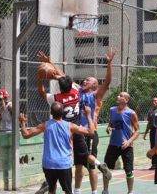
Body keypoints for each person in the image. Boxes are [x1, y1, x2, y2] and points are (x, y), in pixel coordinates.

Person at [38, 48, 116, 194]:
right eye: (84, 79)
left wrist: (109, 64)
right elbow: (63, 76)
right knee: (77, 163)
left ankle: (95, 187)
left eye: (89, 80)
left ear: (94, 85)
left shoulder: (95, 96)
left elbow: (107, 82)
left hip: (88, 131)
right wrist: (49, 62)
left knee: (89, 164)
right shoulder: (76, 91)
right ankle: (73, 189)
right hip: (73, 131)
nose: (84, 80)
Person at [19, 102, 94, 194]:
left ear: (51, 113)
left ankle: (48, 186)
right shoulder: (70, 126)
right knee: (67, 191)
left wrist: (22, 122)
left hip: (49, 164)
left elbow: (26, 135)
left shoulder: (45, 125)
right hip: (64, 164)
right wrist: (89, 115)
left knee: (52, 190)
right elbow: (91, 132)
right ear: (63, 113)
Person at [102, 92, 140, 194]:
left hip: (126, 145)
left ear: (126, 100)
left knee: (128, 171)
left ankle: (130, 191)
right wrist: (109, 127)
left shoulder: (131, 113)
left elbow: (137, 130)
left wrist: (129, 141)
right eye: (118, 95)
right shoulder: (112, 110)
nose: (118, 96)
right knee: (105, 168)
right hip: (113, 144)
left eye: (121, 96)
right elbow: (111, 123)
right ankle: (105, 190)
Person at [143, 97, 157, 170]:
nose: (154, 102)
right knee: (152, 146)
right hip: (152, 131)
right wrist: (145, 133)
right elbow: (149, 123)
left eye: (155, 101)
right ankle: (154, 164)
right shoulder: (150, 112)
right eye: (153, 101)